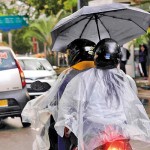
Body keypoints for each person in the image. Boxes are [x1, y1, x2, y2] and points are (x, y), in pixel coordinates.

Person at [55, 38, 150, 150]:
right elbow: (133, 104)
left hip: (94, 135)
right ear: (117, 59)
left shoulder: (82, 79)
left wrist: (66, 123)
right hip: (119, 132)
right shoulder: (126, 79)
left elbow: (68, 104)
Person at [21, 38, 96, 150]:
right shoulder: (110, 73)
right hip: (108, 124)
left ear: (74, 55)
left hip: (80, 125)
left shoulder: (68, 75)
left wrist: (66, 124)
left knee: (55, 130)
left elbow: (61, 102)